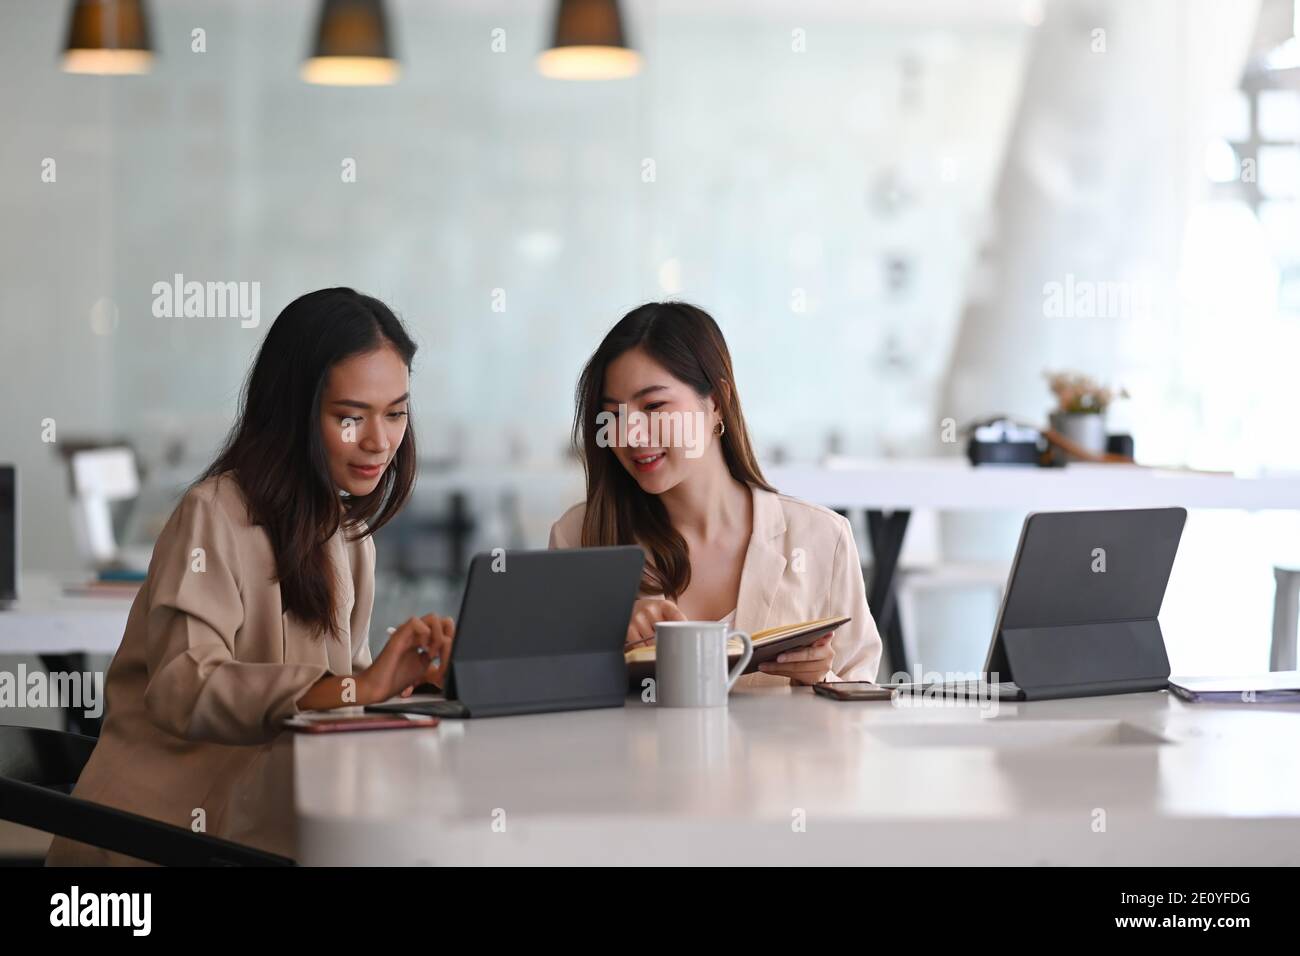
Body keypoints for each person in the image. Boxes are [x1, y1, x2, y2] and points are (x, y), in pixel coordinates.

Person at [46, 288, 453, 865]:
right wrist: (358, 688)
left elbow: (339, 686)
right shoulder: (212, 513)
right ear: (295, 411)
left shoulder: (347, 536)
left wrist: (411, 683)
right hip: (155, 840)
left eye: (396, 413)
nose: (379, 441)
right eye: (350, 417)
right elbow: (184, 687)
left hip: (259, 828)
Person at [549, 301, 881, 688]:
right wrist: (608, 641)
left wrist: (819, 676)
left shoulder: (823, 539)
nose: (630, 435)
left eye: (654, 406)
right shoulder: (579, 538)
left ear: (717, 402)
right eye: (614, 415)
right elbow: (558, 712)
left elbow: (862, 712)